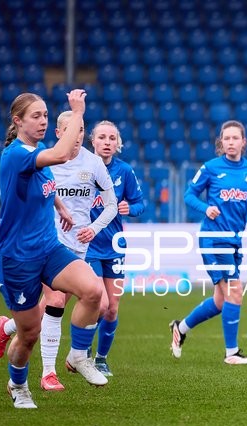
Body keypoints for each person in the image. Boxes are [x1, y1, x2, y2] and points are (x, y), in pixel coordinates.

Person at [0, 90, 106, 409]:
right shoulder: (16, 155)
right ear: (18, 121)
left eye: (44, 115)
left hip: (49, 247)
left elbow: (44, 183)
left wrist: (60, 207)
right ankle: (17, 384)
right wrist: (78, 113)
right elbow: (63, 154)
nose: (42, 121)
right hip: (18, 257)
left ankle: (78, 355)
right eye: (36, 116)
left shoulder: (36, 149)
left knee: (93, 291)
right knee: (29, 334)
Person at [169, 120, 247, 364]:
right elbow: (189, 195)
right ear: (221, 142)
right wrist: (206, 208)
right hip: (213, 240)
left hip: (234, 240)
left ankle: (180, 328)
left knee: (220, 301)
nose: (231, 142)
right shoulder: (211, 168)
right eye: (226, 138)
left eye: (235, 138)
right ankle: (231, 353)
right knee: (235, 292)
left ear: (243, 142)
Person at [85, 120, 145, 378]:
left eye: (112, 138)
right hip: (88, 246)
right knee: (99, 303)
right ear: (93, 141)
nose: (107, 142)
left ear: (118, 143)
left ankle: (101, 359)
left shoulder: (124, 171)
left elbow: (140, 203)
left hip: (115, 246)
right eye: (102, 137)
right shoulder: (83, 167)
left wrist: (130, 208)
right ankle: (82, 349)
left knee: (112, 307)